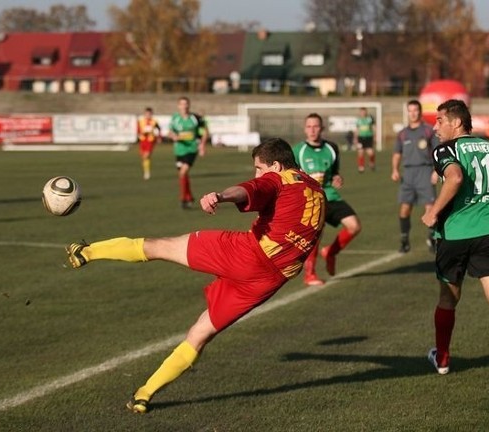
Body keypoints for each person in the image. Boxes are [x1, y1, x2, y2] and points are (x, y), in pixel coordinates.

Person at [65, 138, 325, 413]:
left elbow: (248, 189)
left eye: (259, 168)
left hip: (248, 255)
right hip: (269, 281)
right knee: (200, 334)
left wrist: (221, 196)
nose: (256, 174)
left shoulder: (277, 179)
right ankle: (144, 394)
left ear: (275, 165)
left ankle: (87, 252)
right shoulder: (316, 189)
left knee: (160, 247)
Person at [421, 99, 489, 375]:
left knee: (448, 298)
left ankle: (442, 359)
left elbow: (455, 178)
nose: (435, 127)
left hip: (456, 233)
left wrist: (433, 212)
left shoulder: (446, 149)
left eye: (440, 121)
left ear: (457, 122)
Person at [293, 113, 362, 286]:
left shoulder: (331, 148)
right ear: (304, 129)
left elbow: (335, 174)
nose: (312, 130)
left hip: (330, 196)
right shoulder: (297, 151)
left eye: (316, 126)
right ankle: (310, 274)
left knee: (354, 226)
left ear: (322, 129)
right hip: (311, 200)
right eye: (309, 126)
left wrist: (338, 179)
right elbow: (289, 176)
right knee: (316, 235)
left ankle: (330, 252)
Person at [391, 99, 440, 254]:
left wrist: (435, 171)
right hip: (408, 173)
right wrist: (394, 169)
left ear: (420, 112)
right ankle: (404, 239)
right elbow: (397, 153)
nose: (413, 113)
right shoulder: (402, 133)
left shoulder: (428, 131)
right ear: (407, 112)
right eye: (410, 111)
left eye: (415, 110)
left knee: (430, 208)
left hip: (425, 171)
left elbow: (437, 151)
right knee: (405, 209)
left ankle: (432, 237)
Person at [169, 96, 209, 209]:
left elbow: (205, 132)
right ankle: (189, 196)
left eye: (186, 104)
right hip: (179, 150)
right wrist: (174, 136)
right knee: (183, 175)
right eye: (182, 104)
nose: (184, 106)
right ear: (178, 106)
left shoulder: (195, 118)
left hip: (191, 149)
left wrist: (202, 145)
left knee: (182, 172)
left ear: (189, 105)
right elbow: (170, 131)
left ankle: (183, 199)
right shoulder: (175, 118)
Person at [137, 107, 161, 180]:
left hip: (150, 141)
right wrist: (141, 133)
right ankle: (146, 171)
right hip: (143, 141)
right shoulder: (140, 121)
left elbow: (159, 129)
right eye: (147, 114)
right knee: (144, 157)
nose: (148, 115)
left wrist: (159, 137)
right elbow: (138, 130)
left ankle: (147, 173)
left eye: (149, 114)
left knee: (146, 156)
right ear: (144, 114)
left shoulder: (154, 121)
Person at [354, 107, 376, 172]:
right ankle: (361, 167)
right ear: (360, 113)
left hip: (369, 137)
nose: (363, 113)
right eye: (361, 112)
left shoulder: (369, 119)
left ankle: (371, 163)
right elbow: (357, 130)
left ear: (366, 112)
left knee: (371, 153)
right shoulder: (358, 120)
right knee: (360, 152)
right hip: (360, 138)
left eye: (364, 111)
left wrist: (375, 136)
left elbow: (373, 127)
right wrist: (355, 138)